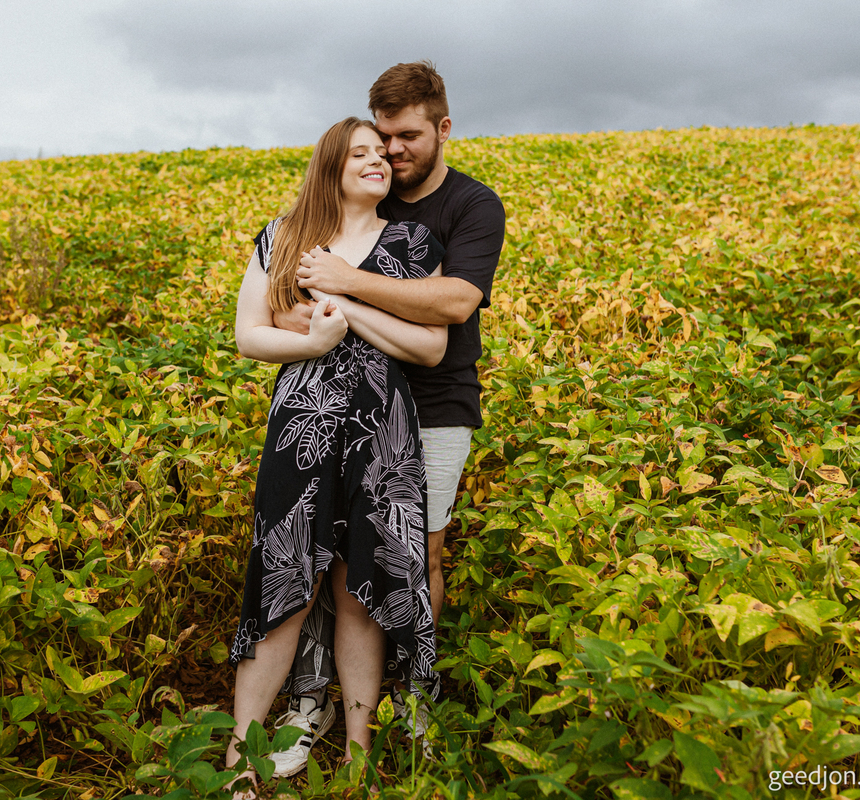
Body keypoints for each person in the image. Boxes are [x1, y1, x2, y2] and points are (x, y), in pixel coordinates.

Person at [269, 60, 507, 774]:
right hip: (345, 399)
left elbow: (456, 301)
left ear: (444, 128)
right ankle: (316, 697)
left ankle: (413, 692)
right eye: (383, 137)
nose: (393, 152)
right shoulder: (363, 188)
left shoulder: (472, 205)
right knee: (327, 553)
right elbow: (292, 291)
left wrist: (348, 285)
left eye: (407, 137)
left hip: (435, 403)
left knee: (419, 550)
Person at [227, 116, 447, 796]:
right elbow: (248, 334)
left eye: (382, 152)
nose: (378, 160)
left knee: (361, 589)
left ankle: (359, 758)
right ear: (331, 165)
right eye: (360, 153)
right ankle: (240, 762)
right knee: (283, 580)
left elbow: (430, 347)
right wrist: (313, 345)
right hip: (302, 425)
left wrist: (345, 295)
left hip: (382, 433)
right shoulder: (283, 235)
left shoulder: (413, 241)